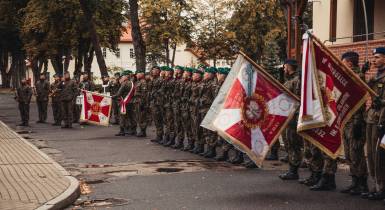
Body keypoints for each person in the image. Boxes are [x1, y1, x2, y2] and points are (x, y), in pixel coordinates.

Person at [339, 51, 368, 195]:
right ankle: (355, 182)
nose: (341, 64)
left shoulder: (358, 77)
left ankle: (362, 184)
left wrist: (357, 122)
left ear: (349, 63)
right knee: (349, 154)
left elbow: (359, 102)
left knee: (356, 153)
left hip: (356, 121)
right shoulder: (348, 77)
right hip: (347, 121)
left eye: (343, 62)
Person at [363, 47, 385, 200]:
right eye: (374, 57)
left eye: (377, 57)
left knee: (380, 155)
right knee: (370, 153)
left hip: (382, 118)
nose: (374, 60)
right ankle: (376, 185)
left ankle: (382, 187)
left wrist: (381, 102)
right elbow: (359, 85)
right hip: (372, 117)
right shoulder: (375, 76)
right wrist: (363, 72)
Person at [278, 59, 303, 180]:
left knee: (293, 143)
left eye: (285, 67)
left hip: (294, 116)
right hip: (289, 116)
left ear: (289, 67)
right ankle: (292, 168)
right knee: (289, 143)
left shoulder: (297, 80)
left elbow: (298, 99)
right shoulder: (290, 79)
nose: (284, 69)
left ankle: (294, 171)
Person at [199, 66, 218, 158]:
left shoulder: (213, 85)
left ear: (211, 74)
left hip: (209, 110)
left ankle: (212, 150)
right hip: (203, 109)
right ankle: (208, 148)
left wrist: (205, 101)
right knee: (205, 131)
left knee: (210, 131)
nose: (204, 74)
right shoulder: (205, 83)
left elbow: (216, 100)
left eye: (206, 73)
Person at [113, 70, 135, 136]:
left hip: (124, 102)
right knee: (131, 116)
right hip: (131, 102)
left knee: (122, 116)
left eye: (122, 76)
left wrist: (112, 96)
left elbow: (119, 93)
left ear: (126, 77)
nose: (121, 78)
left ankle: (122, 131)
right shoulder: (132, 83)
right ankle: (133, 130)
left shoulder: (124, 83)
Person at [189, 67, 204, 154]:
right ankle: (197, 145)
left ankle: (200, 146)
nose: (193, 76)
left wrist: (196, 101)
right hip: (193, 108)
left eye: (195, 74)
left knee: (198, 128)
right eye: (193, 74)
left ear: (199, 76)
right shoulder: (194, 84)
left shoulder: (201, 85)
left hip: (199, 109)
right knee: (194, 127)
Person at [171, 66, 186, 149]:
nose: (176, 71)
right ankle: (177, 141)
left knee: (181, 124)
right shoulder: (175, 80)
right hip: (175, 104)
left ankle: (181, 142)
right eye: (175, 70)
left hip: (181, 105)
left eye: (178, 70)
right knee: (176, 124)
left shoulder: (183, 81)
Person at [149, 66, 165, 143]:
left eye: (155, 70)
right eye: (153, 70)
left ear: (159, 72)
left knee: (159, 120)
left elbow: (162, 91)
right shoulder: (153, 80)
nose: (153, 71)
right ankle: (158, 136)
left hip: (158, 103)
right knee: (156, 120)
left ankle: (160, 136)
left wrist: (155, 94)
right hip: (153, 102)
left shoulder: (160, 80)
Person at [161, 66, 176, 146]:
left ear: (170, 74)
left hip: (170, 104)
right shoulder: (165, 81)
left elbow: (169, 91)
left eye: (166, 72)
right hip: (165, 104)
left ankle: (171, 139)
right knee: (166, 122)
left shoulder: (172, 81)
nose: (163, 73)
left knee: (170, 122)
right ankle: (166, 137)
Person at [180, 67, 194, 150]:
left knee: (191, 126)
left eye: (186, 72)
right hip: (183, 107)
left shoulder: (192, 83)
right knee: (186, 126)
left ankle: (192, 144)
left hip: (190, 108)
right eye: (184, 72)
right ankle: (189, 143)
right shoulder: (183, 82)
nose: (184, 73)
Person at [133, 72, 148, 137]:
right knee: (138, 116)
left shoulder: (143, 82)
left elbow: (144, 93)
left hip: (141, 101)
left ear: (141, 74)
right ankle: (141, 130)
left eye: (137, 74)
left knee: (142, 117)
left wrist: (143, 102)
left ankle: (143, 131)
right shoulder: (137, 82)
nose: (136, 75)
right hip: (137, 101)